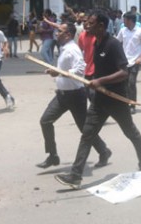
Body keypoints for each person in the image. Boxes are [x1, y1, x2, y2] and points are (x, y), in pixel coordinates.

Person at [55, 11, 141, 189]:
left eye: (91, 23)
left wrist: (101, 81)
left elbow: (124, 72)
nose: (87, 25)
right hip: (99, 99)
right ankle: (75, 176)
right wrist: (91, 79)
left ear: (101, 26)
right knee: (87, 134)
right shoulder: (95, 43)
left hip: (115, 99)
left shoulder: (113, 44)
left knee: (130, 132)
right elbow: (96, 69)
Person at [37, 22, 112, 169]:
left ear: (68, 35)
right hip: (62, 95)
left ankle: (103, 151)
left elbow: (80, 70)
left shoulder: (72, 49)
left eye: (60, 31)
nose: (56, 33)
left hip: (76, 96)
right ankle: (52, 156)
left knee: (84, 128)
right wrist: (55, 71)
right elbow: (64, 69)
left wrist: (59, 72)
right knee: (45, 121)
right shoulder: (64, 48)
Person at [116, 12, 141, 114]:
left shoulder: (140, 32)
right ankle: (125, 103)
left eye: (125, 20)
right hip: (124, 61)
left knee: (131, 83)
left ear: (130, 21)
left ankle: (133, 105)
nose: (123, 22)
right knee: (124, 83)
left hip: (135, 61)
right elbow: (118, 43)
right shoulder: (123, 31)